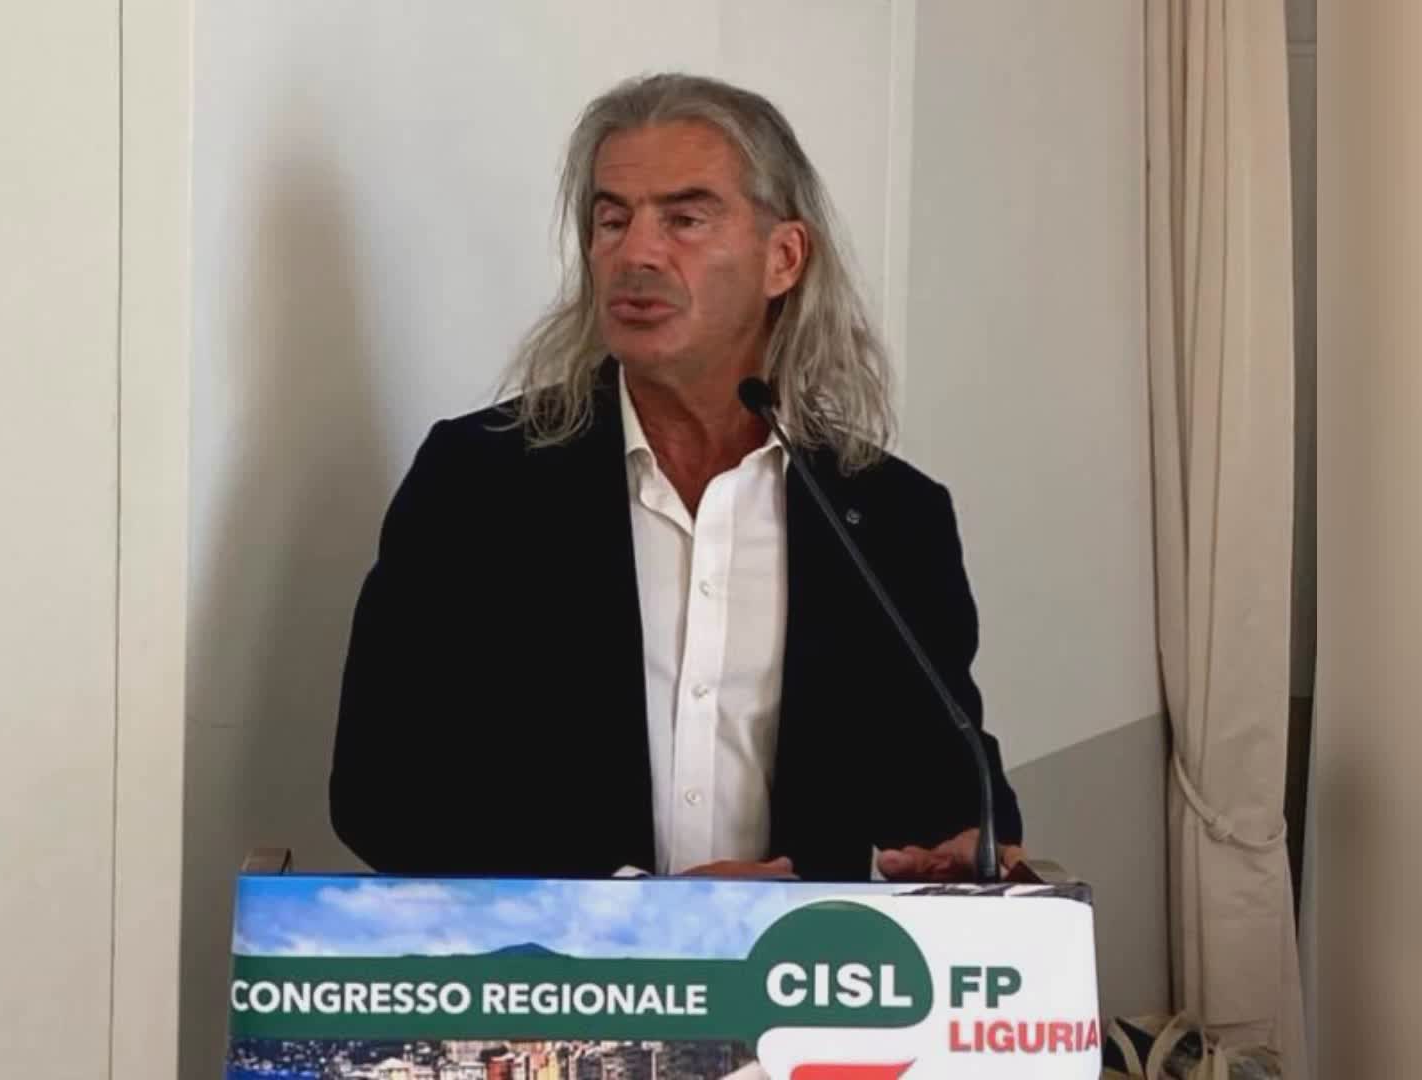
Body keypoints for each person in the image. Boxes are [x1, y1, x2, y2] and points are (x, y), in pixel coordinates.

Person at [329, 73, 1025, 882]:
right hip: (549, 963)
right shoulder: (477, 484)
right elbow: (381, 792)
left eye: (685, 219)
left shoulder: (891, 515)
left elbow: (949, 782)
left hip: (805, 962)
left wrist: (964, 846)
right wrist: (636, 912)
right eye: (612, 220)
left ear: (783, 258)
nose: (637, 254)